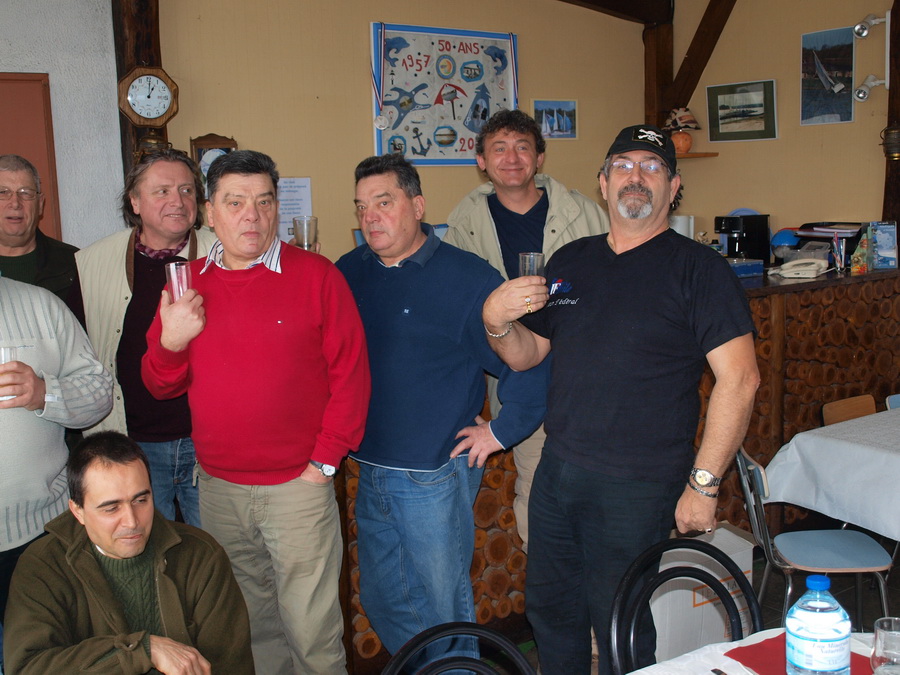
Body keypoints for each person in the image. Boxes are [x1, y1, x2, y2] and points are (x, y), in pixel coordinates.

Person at [481, 124, 760, 674]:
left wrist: (703, 484)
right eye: (624, 166)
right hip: (559, 471)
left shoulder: (700, 269)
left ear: (672, 188)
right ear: (603, 183)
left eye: (652, 167)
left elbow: (741, 379)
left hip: (639, 483)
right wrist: (496, 321)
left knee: (620, 625)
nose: (637, 176)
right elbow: (528, 354)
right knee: (552, 613)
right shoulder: (571, 260)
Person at [141, 150, 370, 674]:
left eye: (264, 202)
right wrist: (172, 341)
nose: (252, 215)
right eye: (235, 202)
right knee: (253, 629)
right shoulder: (185, 283)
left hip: (299, 487)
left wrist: (324, 464)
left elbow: (351, 377)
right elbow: (158, 384)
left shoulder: (316, 275)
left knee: (314, 637)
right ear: (209, 212)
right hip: (218, 490)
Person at [335, 154, 547, 669]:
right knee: (384, 600)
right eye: (362, 207)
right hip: (368, 467)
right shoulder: (349, 271)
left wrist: (501, 431)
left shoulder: (467, 277)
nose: (370, 217)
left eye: (384, 202)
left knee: (443, 611)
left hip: (433, 474)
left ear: (417, 206)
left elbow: (528, 361)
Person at [445, 109, 608, 549]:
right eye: (499, 148)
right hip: (520, 385)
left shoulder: (585, 213)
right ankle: (552, 589)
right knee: (538, 497)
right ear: (481, 161)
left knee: (605, 496)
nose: (512, 158)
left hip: (591, 382)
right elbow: (459, 314)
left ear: (540, 157)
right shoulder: (464, 223)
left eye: (522, 147)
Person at [3, 431, 254, 674]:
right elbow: (27, 666)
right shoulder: (44, 565)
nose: (132, 521)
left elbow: (230, 664)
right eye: (111, 508)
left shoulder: (200, 556)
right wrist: (141, 651)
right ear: (78, 511)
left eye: (140, 500)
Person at [70, 149, 217, 528]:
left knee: (217, 552)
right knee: (148, 550)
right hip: (132, 445)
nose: (177, 201)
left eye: (186, 190)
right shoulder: (91, 263)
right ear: (134, 202)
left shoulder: (226, 253)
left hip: (210, 443)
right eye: (162, 190)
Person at [0, 276, 113, 671]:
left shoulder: (40, 305)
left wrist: (44, 392)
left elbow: (100, 392)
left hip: (39, 537)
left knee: (50, 662)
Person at [0, 155, 79, 301]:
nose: (15, 203)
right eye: (3, 193)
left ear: (40, 204)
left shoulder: (74, 265)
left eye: (25, 193)